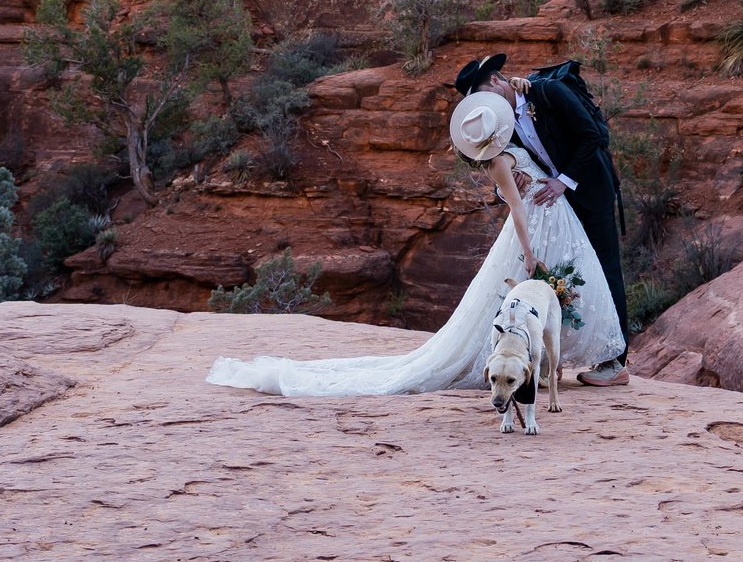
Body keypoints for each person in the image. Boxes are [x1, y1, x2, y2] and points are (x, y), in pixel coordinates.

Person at [203, 84, 625, 398]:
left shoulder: (506, 152)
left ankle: (543, 361)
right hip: (535, 228)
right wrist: (528, 254)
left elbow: (525, 182)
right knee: (542, 290)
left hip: (555, 221)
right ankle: (525, 361)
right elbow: (515, 208)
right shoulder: (501, 161)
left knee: (563, 290)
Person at [457, 52, 630, 384]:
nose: (486, 108)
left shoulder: (549, 92)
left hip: (589, 191)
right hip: (554, 210)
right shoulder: (501, 123)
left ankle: (615, 364)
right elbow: (505, 172)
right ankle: (554, 358)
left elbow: (590, 135)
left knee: (605, 270)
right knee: (564, 275)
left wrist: (563, 181)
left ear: (495, 80)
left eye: (484, 97)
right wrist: (514, 182)